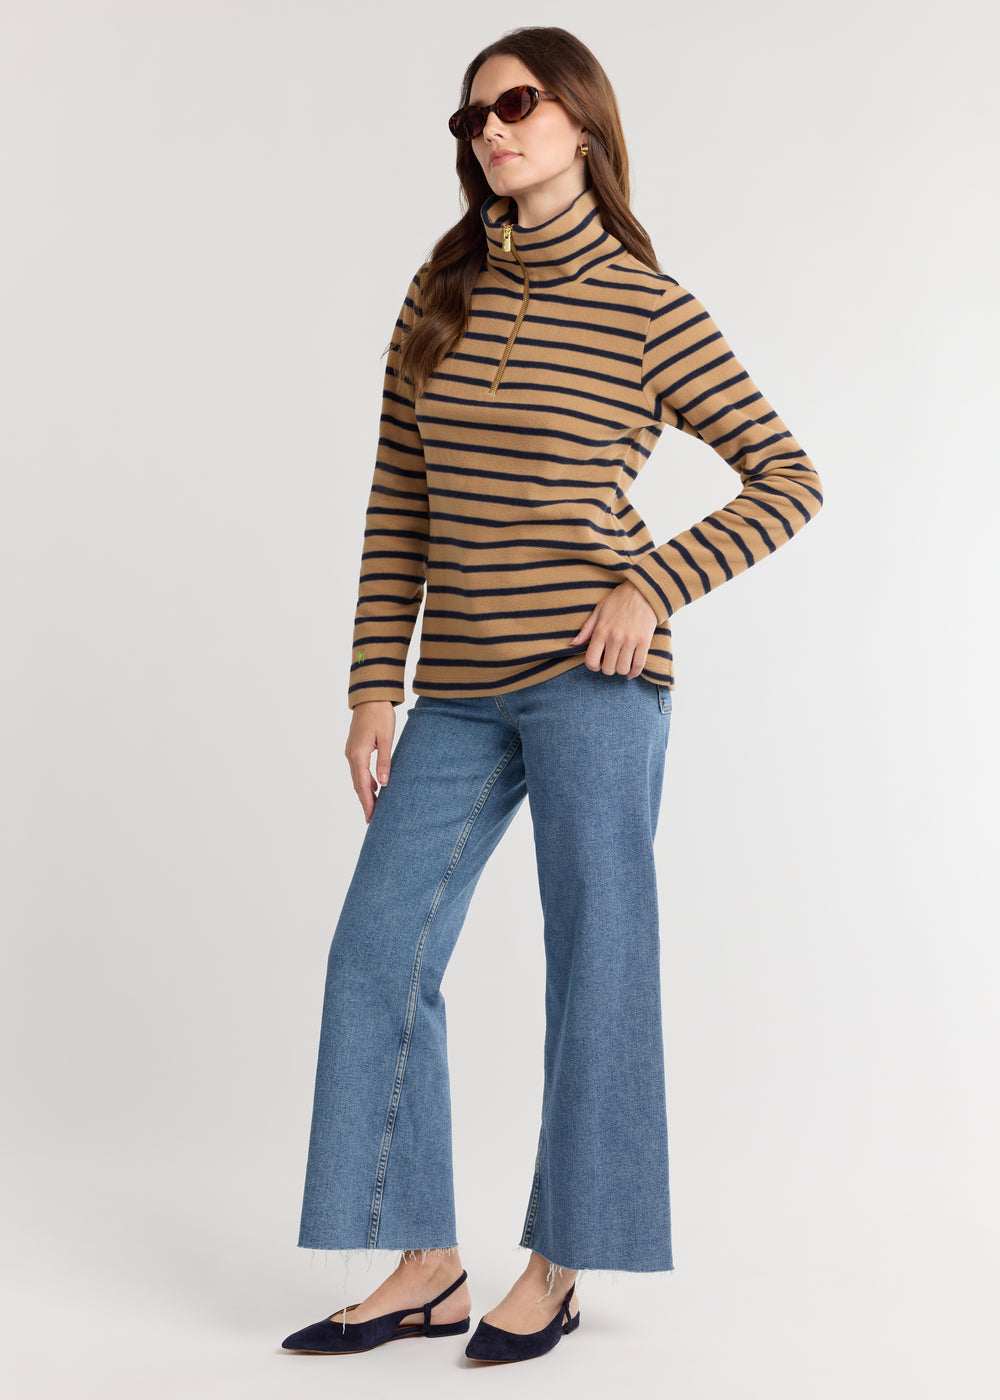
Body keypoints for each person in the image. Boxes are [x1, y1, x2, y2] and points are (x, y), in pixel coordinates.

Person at [280, 25, 823, 1364]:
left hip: (596, 678)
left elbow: (788, 477)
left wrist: (654, 584)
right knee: (376, 951)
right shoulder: (440, 292)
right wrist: (372, 686)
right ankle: (424, 1267)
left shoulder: (647, 306)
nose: (490, 131)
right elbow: (399, 502)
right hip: (458, 691)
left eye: (515, 105)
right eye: (471, 117)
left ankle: (561, 1263)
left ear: (581, 120)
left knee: (596, 958)